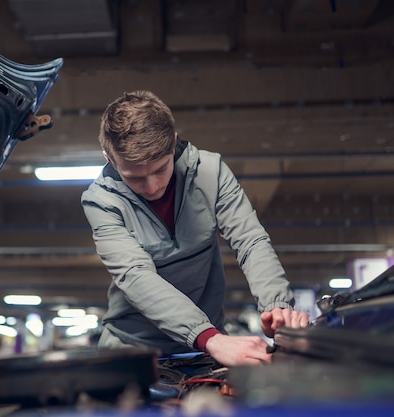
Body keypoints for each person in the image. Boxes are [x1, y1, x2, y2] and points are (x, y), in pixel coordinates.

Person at [81, 90, 309, 366]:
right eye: (135, 178)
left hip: (206, 350)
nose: (153, 187)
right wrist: (209, 337)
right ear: (109, 158)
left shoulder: (211, 172)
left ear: (173, 142)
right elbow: (136, 276)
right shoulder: (101, 201)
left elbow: (250, 241)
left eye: (160, 169)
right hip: (132, 350)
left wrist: (276, 306)